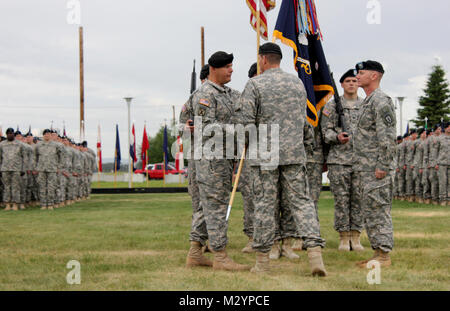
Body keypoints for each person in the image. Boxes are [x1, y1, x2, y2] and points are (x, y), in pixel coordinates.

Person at [235, 42, 327, 276]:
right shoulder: (297, 83)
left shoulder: (254, 84)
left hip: (265, 153)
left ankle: (262, 263)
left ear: (263, 59)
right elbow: (304, 120)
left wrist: (245, 142)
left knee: (265, 206)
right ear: (279, 59)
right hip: (294, 152)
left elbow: (245, 124)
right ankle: (315, 254)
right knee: (302, 203)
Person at [187, 51, 248, 271]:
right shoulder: (205, 94)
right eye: (227, 67)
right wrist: (238, 130)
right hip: (210, 160)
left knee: (206, 207)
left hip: (223, 159)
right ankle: (220, 256)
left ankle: (195, 254)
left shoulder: (229, 93)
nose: (231, 70)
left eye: (232, 66)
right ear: (214, 69)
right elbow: (207, 126)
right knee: (216, 207)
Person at [353, 60, 396, 267]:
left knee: (379, 210)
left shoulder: (381, 101)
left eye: (362, 73)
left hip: (376, 168)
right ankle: (377, 253)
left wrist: (383, 165)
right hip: (365, 168)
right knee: (370, 211)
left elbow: (387, 137)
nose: (357, 76)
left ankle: (384, 255)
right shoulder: (367, 101)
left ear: (374, 76)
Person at [320, 68, 364, 251]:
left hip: (361, 161)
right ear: (342, 84)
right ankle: (344, 237)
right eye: (348, 81)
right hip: (339, 160)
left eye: (354, 81)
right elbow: (325, 132)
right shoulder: (332, 106)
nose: (352, 84)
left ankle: (356, 236)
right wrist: (337, 137)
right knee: (342, 200)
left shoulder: (366, 105)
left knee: (358, 199)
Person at [182, 64, 212, 268]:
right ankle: (201, 243)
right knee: (198, 200)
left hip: (215, 156)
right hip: (196, 156)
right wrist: (187, 128)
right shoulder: (192, 100)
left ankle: (209, 240)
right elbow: (182, 125)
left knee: (211, 201)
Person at [34, 129, 63, 210]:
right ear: (43, 136)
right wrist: (36, 167)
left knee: (51, 187)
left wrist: (59, 167)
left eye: (48, 134)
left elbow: (61, 157)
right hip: (41, 169)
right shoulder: (38, 145)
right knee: (42, 187)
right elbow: (35, 157)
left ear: (51, 135)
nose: (47, 135)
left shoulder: (56, 145)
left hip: (52, 169)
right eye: (45, 134)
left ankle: (50, 204)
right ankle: (43, 204)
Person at [0, 128, 26, 211]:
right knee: (6, 187)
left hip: (16, 169)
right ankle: (7, 204)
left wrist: (23, 169)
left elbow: (24, 157)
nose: (10, 135)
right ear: (6, 134)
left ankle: (15, 204)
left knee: (16, 187)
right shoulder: (2, 144)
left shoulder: (20, 144)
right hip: (5, 168)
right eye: (8, 133)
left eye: (11, 133)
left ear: (13, 134)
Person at [436, 122, 449, 206]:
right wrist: (436, 163)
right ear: (446, 128)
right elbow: (435, 151)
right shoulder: (440, 138)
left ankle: (449, 199)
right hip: (442, 163)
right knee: (442, 182)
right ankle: (442, 199)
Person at [428, 125, 442, 204]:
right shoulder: (430, 139)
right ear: (435, 130)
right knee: (434, 181)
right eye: (438, 129)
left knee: (442, 182)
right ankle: (434, 198)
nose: (439, 130)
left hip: (442, 162)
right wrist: (428, 163)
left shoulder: (442, 138)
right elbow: (427, 152)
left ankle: (441, 198)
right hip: (433, 163)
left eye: (440, 129)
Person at [405, 129, 417, 202]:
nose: (416, 135)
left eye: (416, 134)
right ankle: (409, 195)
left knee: (415, 178)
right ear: (411, 134)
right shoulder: (408, 143)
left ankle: (414, 194)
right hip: (409, 162)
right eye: (414, 134)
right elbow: (405, 154)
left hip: (415, 163)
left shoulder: (417, 142)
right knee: (409, 179)